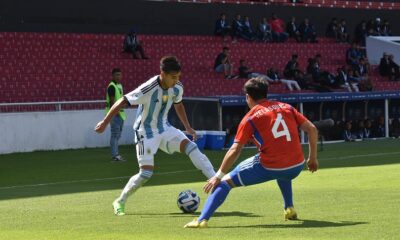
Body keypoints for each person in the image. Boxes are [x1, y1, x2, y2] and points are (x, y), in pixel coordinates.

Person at [184, 77, 319, 228]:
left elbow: (235, 149)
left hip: (271, 166)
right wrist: (312, 158)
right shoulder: (286, 107)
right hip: (297, 166)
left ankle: (202, 220)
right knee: (283, 171)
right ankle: (289, 208)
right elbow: (312, 129)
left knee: (225, 183)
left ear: (248, 97)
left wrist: (218, 175)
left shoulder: (250, 118)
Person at [95, 56, 216, 216]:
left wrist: (188, 127)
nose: (176, 80)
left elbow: (178, 105)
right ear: (162, 74)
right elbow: (122, 101)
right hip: (145, 132)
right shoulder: (149, 88)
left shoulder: (177, 87)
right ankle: (120, 201)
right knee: (146, 173)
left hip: (165, 128)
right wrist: (104, 122)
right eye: (173, 77)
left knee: (192, 148)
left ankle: (217, 182)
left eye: (178, 76)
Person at [106, 68, 126, 162]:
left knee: (117, 135)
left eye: (120, 75)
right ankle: (115, 155)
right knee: (115, 134)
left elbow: (120, 99)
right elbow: (112, 101)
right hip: (115, 114)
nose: (118, 77)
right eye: (116, 75)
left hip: (120, 113)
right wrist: (115, 111)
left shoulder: (119, 86)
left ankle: (116, 154)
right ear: (113, 76)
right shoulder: (112, 86)